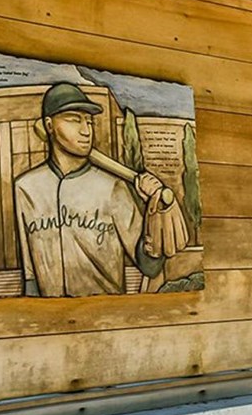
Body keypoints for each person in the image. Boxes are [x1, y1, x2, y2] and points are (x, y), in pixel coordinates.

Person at [14, 83, 179, 297]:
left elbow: (149, 266)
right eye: (74, 120)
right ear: (49, 125)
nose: (86, 131)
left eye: (89, 122)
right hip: (50, 318)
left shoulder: (113, 187)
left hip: (105, 314)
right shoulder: (26, 187)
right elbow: (30, 276)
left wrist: (154, 210)